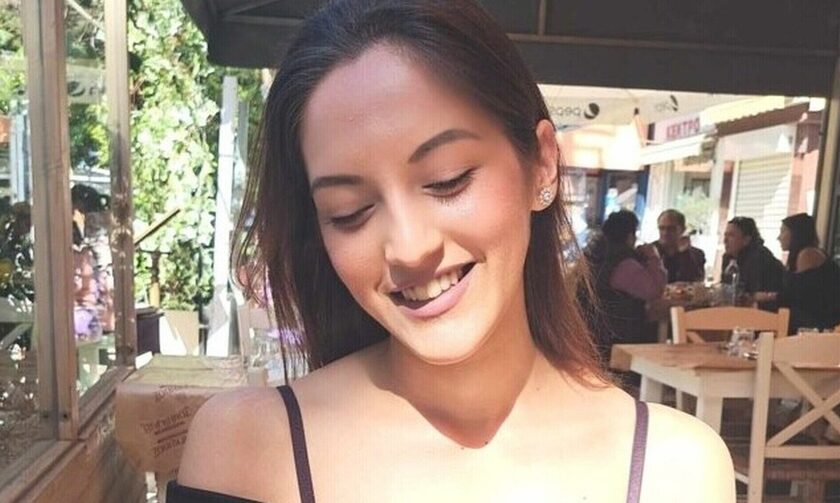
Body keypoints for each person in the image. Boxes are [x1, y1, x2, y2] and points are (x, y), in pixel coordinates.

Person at [172, 1, 734, 502]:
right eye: (349, 211)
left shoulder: (672, 469)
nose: (409, 248)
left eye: (448, 179)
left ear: (542, 164)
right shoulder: (247, 450)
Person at [582, 210, 667, 361]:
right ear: (630, 236)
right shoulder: (623, 264)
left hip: (592, 334)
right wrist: (653, 256)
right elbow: (654, 290)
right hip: (617, 340)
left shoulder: (595, 256)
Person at [754, 213, 840, 333]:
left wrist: (767, 296)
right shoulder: (800, 255)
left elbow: (796, 295)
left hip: (820, 321)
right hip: (810, 315)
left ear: (796, 234)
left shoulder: (807, 254)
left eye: (783, 231)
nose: (779, 237)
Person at [721, 216, 784, 309]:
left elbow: (751, 293)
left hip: (767, 311)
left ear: (746, 240)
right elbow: (725, 289)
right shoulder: (728, 258)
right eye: (725, 235)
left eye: (731, 235)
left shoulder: (760, 257)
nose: (725, 241)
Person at [653, 209, 705, 283]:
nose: (665, 233)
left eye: (671, 229)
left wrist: (685, 254)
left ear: (683, 229)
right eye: (662, 228)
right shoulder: (648, 252)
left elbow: (696, 281)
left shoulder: (697, 255)